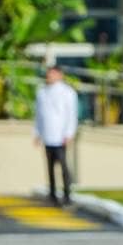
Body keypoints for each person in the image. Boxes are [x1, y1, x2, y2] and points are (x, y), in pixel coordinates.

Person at [33, 66, 79, 205]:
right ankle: (52, 195)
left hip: (61, 136)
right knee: (50, 167)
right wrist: (37, 133)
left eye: (52, 74)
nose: (49, 76)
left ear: (60, 75)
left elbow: (71, 115)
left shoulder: (68, 92)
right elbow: (39, 115)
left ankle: (67, 194)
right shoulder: (42, 92)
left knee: (64, 167)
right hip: (48, 135)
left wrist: (69, 133)